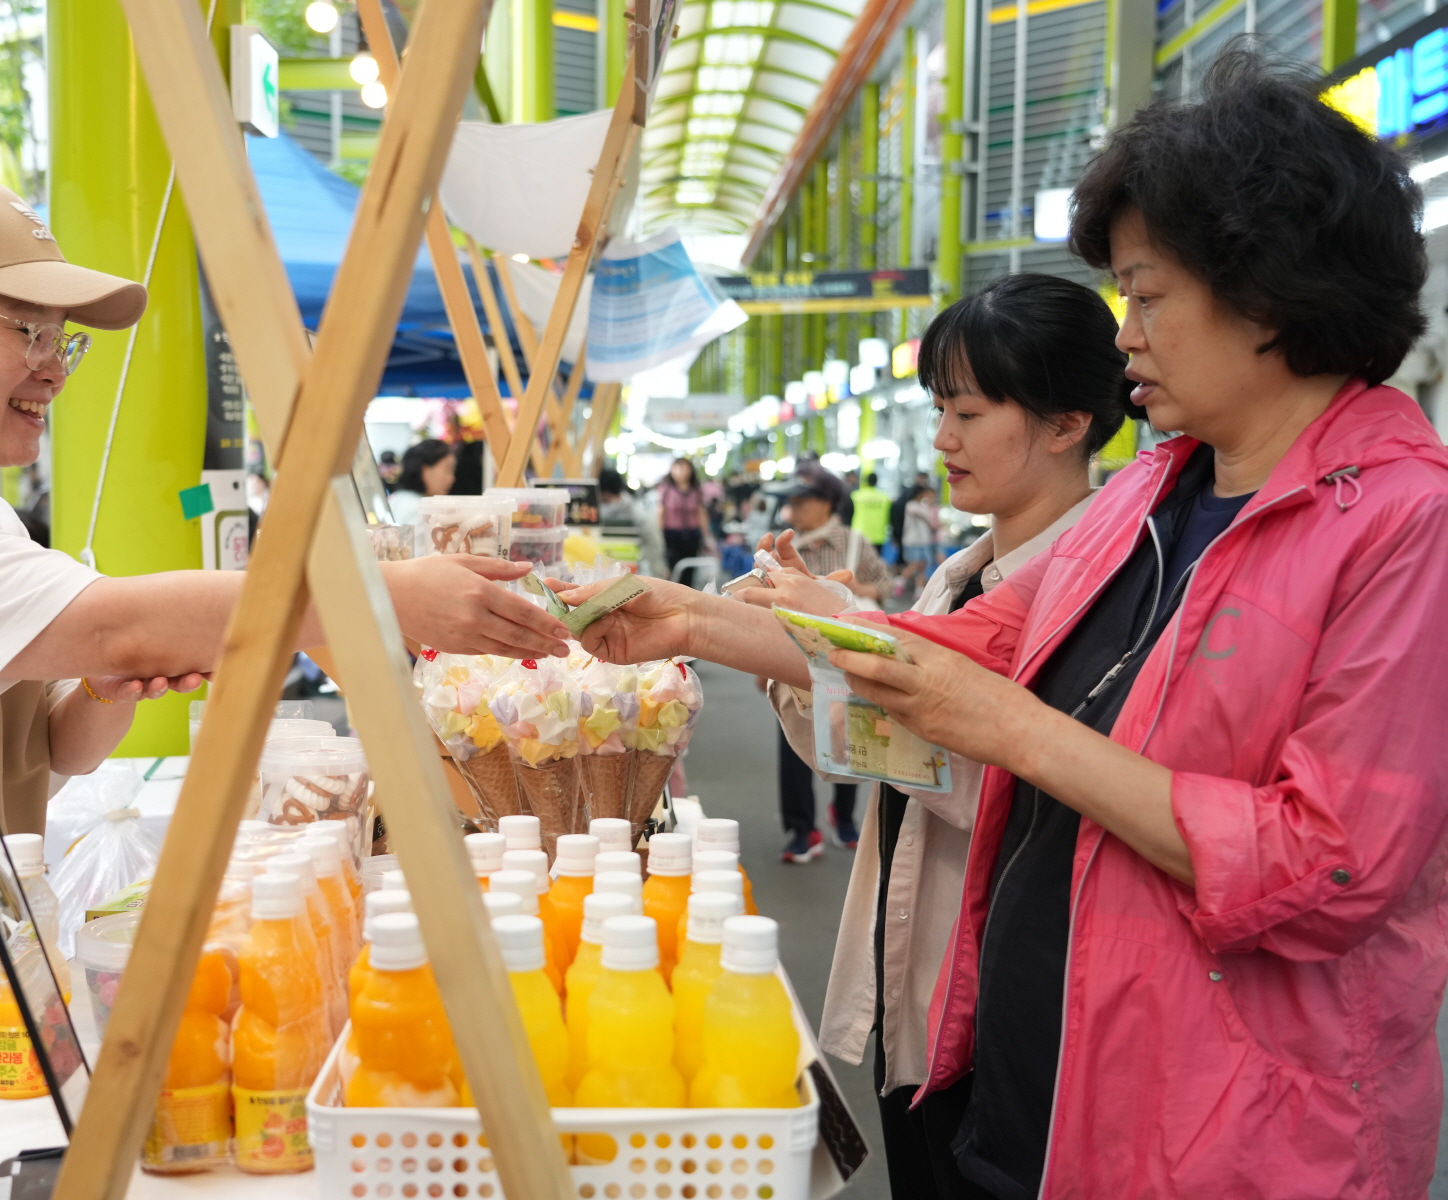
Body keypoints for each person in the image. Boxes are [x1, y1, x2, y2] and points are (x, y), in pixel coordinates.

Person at [566, 52, 1448, 1198]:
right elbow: (968, 647)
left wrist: (1020, 734)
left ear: (1268, 294)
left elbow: (1329, 865)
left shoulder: (1404, 525)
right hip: (1041, 1074)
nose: (1126, 333)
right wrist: (685, 619)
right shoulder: (1155, 491)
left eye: (1149, 293)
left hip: (1228, 1128)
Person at [0, 173, 572, 1199]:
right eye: (26, 331)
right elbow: (118, 618)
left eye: (63, 340)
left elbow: (52, 749)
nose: (54, 369)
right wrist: (375, 596)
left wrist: (106, 690)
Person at [755, 274, 1128, 1198]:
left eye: (967, 411)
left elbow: (984, 779)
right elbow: (862, 753)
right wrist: (810, 650)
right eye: (938, 409)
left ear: (1068, 420)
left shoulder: (1095, 597)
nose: (944, 439)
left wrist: (831, 638)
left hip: (1007, 1004)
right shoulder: (963, 578)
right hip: (911, 985)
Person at [771, 465, 889, 862]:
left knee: (848, 732)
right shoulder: (784, 547)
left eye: (801, 501)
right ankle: (802, 829)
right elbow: (766, 608)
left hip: (844, 658)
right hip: (790, 658)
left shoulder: (855, 544)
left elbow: (883, 588)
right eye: (791, 501)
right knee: (792, 740)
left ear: (827, 503)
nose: (793, 509)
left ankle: (845, 815)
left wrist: (855, 589)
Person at [656, 456, 711, 584]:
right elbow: (661, 512)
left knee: (689, 570)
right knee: (672, 569)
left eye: (685, 467)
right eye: (678, 467)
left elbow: (701, 513)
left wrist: (706, 535)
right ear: (672, 470)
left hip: (692, 535)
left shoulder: (696, 490)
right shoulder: (666, 489)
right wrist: (659, 536)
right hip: (671, 534)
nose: (681, 471)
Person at [386, 437, 457, 525]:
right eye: (448, 470)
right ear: (425, 470)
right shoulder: (421, 511)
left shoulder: (399, 498)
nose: (452, 478)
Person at [899, 480, 941, 593]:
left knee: (922, 567)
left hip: (924, 541)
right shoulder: (911, 505)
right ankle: (899, 582)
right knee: (914, 565)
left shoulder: (924, 507)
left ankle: (919, 590)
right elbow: (921, 515)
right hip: (912, 541)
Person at [848, 470, 890, 554]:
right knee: (875, 565)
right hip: (878, 535)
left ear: (865, 481)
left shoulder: (855, 496)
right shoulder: (885, 497)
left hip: (858, 535)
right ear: (876, 481)